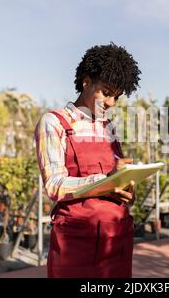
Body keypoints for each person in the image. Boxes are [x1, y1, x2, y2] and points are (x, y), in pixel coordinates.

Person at [34, 43, 141, 278]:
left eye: (116, 97)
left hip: (117, 242)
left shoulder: (108, 128)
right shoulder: (54, 122)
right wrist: (107, 182)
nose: (110, 102)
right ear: (86, 82)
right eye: (106, 92)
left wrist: (126, 190)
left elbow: (116, 178)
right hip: (78, 245)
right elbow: (54, 186)